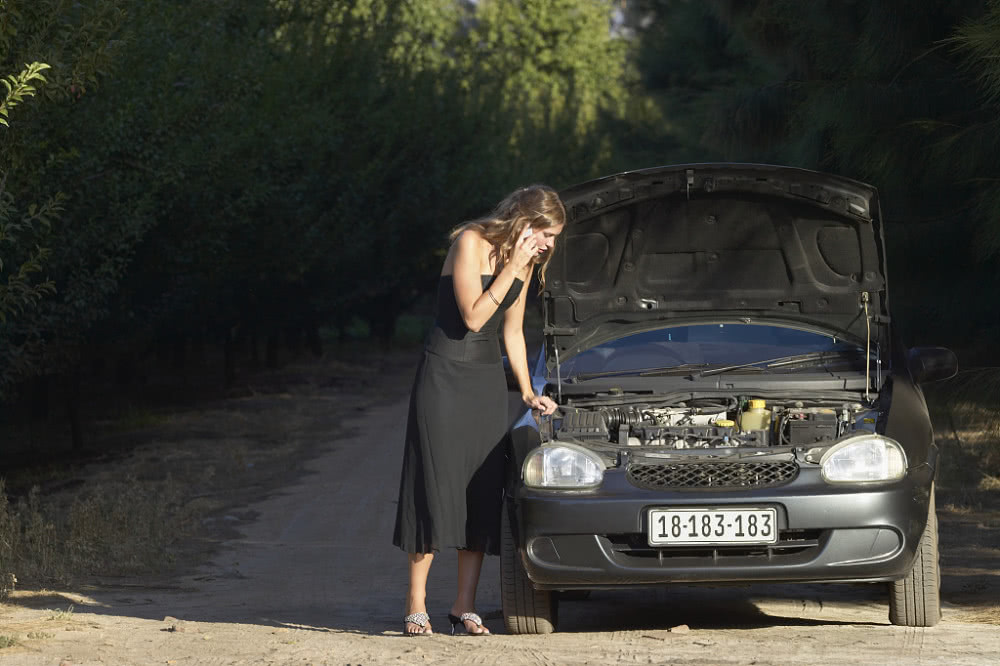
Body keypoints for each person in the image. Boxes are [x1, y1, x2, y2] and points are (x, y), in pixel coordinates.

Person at [393, 185, 564, 636]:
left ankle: (463, 606)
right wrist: (511, 267)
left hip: (487, 382)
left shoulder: (526, 263)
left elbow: (512, 332)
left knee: (480, 489)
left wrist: (526, 391)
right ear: (524, 222)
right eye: (546, 234)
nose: (548, 245)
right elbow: (472, 317)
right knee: (435, 485)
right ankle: (416, 601)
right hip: (443, 376)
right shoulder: (470, 241)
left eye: (553, 237)